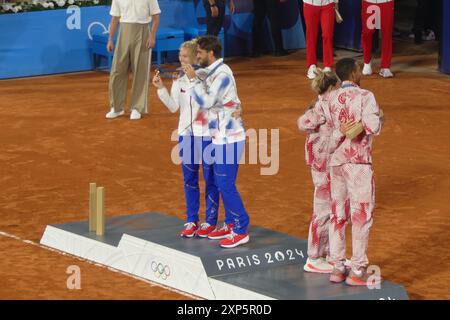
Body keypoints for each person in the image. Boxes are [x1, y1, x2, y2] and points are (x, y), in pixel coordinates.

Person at [185, 35, 250, 249]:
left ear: (210, 53)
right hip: (220, 137)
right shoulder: (214, 72)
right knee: (222, 183)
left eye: (200, 54)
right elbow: (204, 74)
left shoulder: (222, 74)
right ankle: (231, 223)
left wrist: (193, 80)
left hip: (230, 138)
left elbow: (206, 101)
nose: (198, 57)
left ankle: (241, 229)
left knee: (225, 184)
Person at [152, 40, 220, 238]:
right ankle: (191, 219)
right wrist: (160, 89)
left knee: (210, 178)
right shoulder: (178, 79)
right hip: (185, 134)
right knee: (189, 179)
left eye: (184, 57)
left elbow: (209, 104)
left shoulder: (205, 77)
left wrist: (195, 80)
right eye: (180, 56)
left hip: (205, 134)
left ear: (195, 58)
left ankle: (210, 221)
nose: (180, 60)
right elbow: (174, 107)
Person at [327, 58, 383, 286]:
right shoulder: (366, 96)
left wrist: (347, 129)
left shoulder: (330, 98)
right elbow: (374, 126)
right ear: (352, 73)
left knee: (338, 215)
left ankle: (338, 268)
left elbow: (331, 127)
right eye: (359, 69)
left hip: (336, 162)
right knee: (361, 216)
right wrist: (373, 120)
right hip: (358, 163)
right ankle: (357, 270)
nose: (361, 72)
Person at [297, 69, 340, 274]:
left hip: (329, 165)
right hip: (323, 168)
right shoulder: (323, 107)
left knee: (335, 211)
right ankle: (314, 257)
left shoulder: (320, 104)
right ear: (331, 87)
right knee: (323, 212)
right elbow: (305, 124)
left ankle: (333, 255)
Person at [106, 0, 161, 120]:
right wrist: (110, 39)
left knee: (140, 72)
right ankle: (116, 108)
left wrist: (152, 37)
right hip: (123, 34)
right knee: (117, 71)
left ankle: (137, 108)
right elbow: (115, 19)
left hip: (142, 32)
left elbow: (156, 18)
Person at [302, 0, 338, 79]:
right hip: (310, 4)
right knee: (311, 36)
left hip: (328, 4)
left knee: (327, 35)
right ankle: (311, 65)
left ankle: (328, 65)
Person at [361, 0, 394, 78]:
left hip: (386, 2)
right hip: (369, 2)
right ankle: (367, 61)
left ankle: (385, 67)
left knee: (387, 33)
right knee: (367, 33)